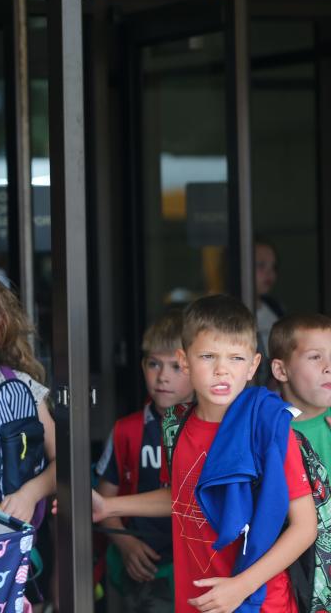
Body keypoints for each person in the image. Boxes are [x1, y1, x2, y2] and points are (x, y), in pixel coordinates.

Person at [92, 294, 316, 612]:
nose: (222, 370)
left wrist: (241, 586)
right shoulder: (180, 427)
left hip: (260, 600)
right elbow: (184, 497)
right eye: (208, 356)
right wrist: (108, 506)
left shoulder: (266, 426)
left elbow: (305, 526)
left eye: (236, 359)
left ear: (253, 365)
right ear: (185, 361)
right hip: (196, 598)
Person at [94, 310, 193, 612]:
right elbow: (102, 503)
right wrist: (125, 545)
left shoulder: (208, 430)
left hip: (195, 564)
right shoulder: (128, 430)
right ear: (142, 366)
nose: (163, 376)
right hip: (145, 566)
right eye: (154, 364)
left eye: (177, 366)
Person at [0, 266, 56, 525]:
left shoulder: (21, 384)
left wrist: (30, 494)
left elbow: (64, 459)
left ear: (2, 322)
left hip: (11, 527)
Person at [269, 314, 331, 612]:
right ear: (281, 369)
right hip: (289, 587)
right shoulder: (266, 431)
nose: (328, 367)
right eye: (315, 357)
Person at [255, 240, 285, 387]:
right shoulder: (231, 313)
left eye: (273, 267)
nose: (269, 273)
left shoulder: (275, 307)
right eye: (261, 265)